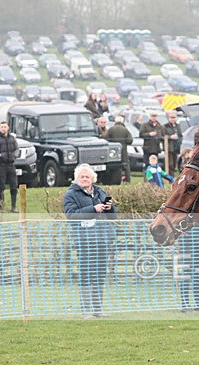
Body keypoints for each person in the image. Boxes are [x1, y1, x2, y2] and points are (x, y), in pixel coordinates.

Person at [62, 163, 117, 319]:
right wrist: (93, 209)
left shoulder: (100, 192)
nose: (85, 179)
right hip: (85, 241)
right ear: (76, 179)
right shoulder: (71, 194)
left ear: (93, 178)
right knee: (86, 274)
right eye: (82, 177)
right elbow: (71, 215)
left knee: (100, 274)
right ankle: (86, 310)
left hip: (103, 239)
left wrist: (109, 208)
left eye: (87, 176)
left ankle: (98, 308)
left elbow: (114, 216)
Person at [0, 121, 19, 213]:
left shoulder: (12, 138)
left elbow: (17, 149)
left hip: (11, 165)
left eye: (5, 127)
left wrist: (14, 156)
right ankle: (1, 207)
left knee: (14, 186)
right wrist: (0, 156)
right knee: (1, 187)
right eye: (1, 127)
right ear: (0, 128)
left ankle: (14, 206)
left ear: (8, 128)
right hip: (1, 165)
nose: (3, 128)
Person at [106, 115, 133, 183]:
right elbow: (130, 140)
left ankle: (111, 180)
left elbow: (106, 139)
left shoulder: (111, 129)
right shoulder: (125, 130)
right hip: (123, 150)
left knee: (113, 165)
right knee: (126, 165)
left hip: (113, 151)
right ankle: (127, 180)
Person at [162, 110, 183, 175]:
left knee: (174, 164)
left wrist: (178, 139)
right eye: (171, 118)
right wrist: (170, 137)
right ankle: (170, 177)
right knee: (169, 164)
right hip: (168, 147)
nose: (173, 119)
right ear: (169, 118)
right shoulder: (165, 126)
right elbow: (162, 136)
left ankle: (172, 177)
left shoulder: (178, 126)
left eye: (174, 118)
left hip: (176, 147)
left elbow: (180, 136)